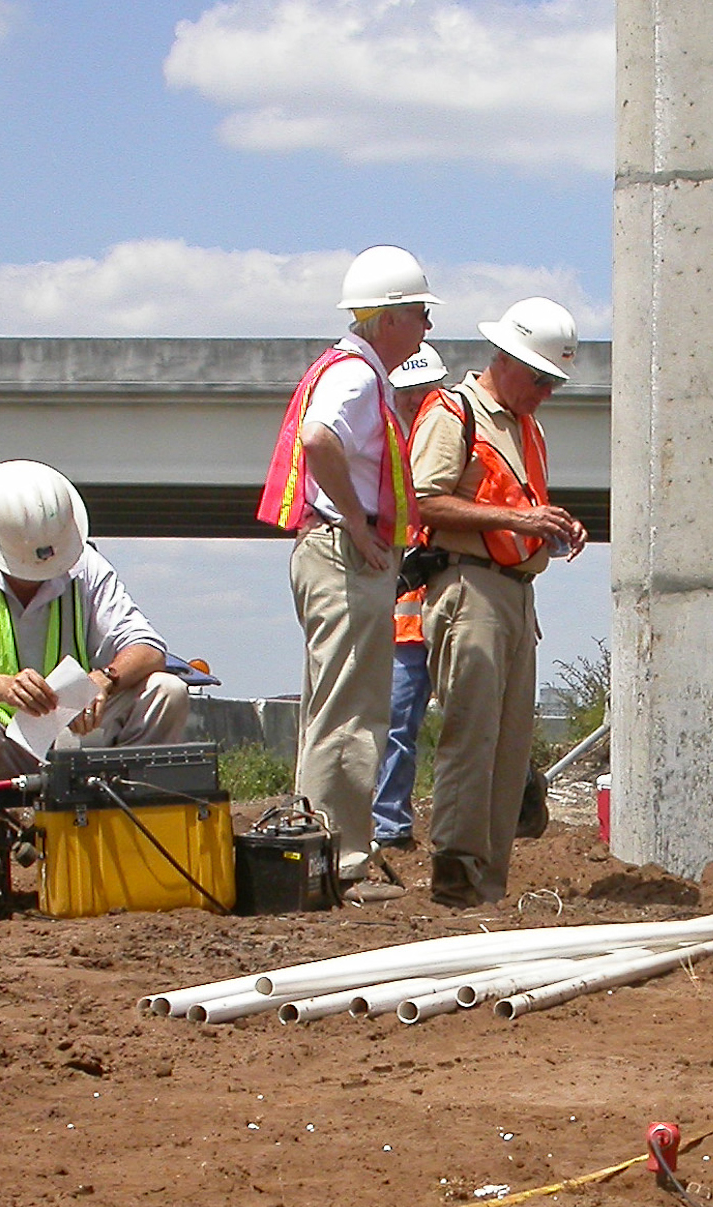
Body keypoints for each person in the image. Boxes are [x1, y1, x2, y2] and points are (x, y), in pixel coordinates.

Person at [259, 245, 437, 901]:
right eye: (420, 316)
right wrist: (359, 523)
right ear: (390, 318)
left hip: (329, 551)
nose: (424, 331)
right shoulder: (359, 378)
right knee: (353, 711)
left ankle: (316, 855)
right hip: (341, 553)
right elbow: (319, 439)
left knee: (332, 706)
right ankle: (341, 861)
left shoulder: (347, 369)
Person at [409, 297, 588, 907]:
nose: (545, 392)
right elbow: (422, 502)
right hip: (469, 587)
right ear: (507, 360)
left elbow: (518, 512)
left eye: (553, 382)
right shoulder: (454, 412)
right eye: (540, 378)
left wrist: (549, 526)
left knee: (510, 746)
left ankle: (488, 885)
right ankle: (456, 877)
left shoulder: (525, 428)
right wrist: (520, 518)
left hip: (514, 593)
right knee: (473, 732)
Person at [0, 459, 189, 806]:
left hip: (76, 738)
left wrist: (103, 680)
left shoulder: (85, 566)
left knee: (167, 690)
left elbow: (148, 648)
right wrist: (6, 687)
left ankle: (129, 826)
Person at [372, 343, 451, 852]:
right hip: (404, 624)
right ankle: (389, 826)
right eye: (412, 393)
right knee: (397, 725)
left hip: (447, 612)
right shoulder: (384, 447)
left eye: (428, 392)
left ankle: (464, 826)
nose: (420, 401)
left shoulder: (450, 441)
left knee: (474, 722)